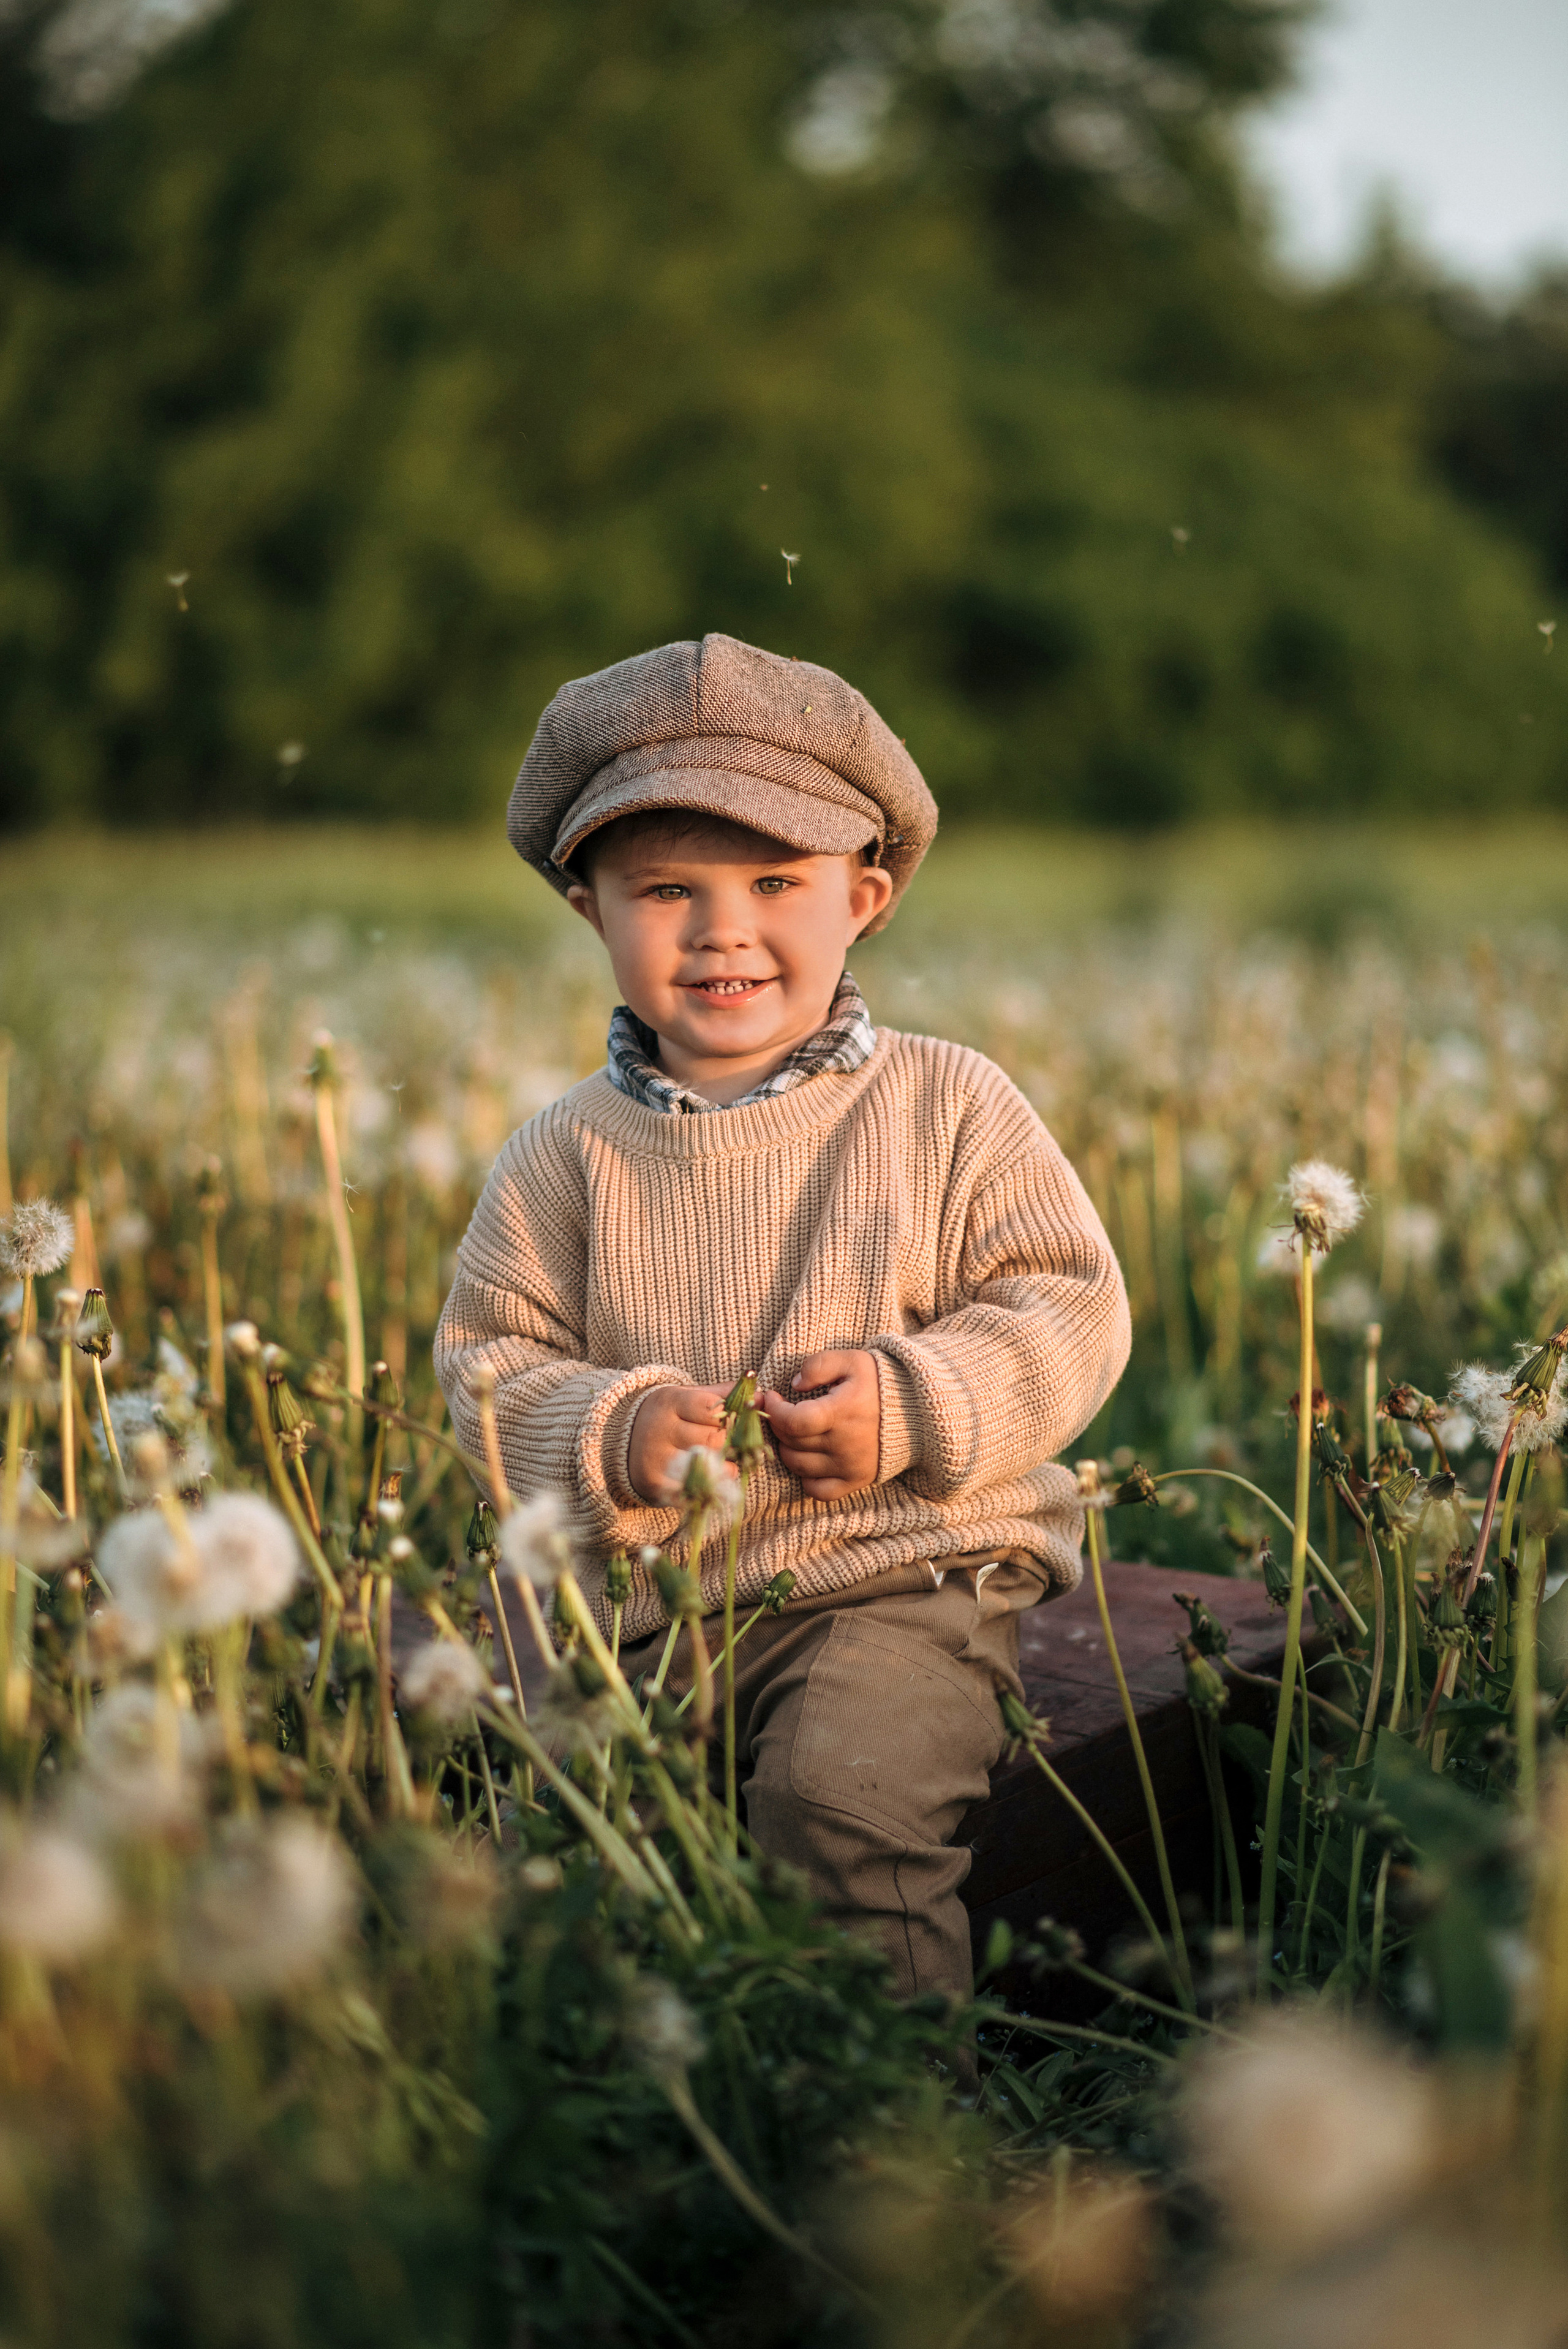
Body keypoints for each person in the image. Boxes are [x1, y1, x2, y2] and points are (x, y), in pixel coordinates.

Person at [435, 631, 1129, 2011]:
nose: (721, 928)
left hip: (905, 1578)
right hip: (648, 1608)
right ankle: (630, 2147)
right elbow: (485, 1364)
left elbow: (1068, 1301)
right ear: (589, 908)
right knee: (562, 1851)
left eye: (774, 881)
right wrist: (610, 1428)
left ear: (864, 896)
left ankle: (877, 2153)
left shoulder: (947, 1105)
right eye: (665, 889)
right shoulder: (561, 1155)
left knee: (835, 1804)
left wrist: (918, 1401)